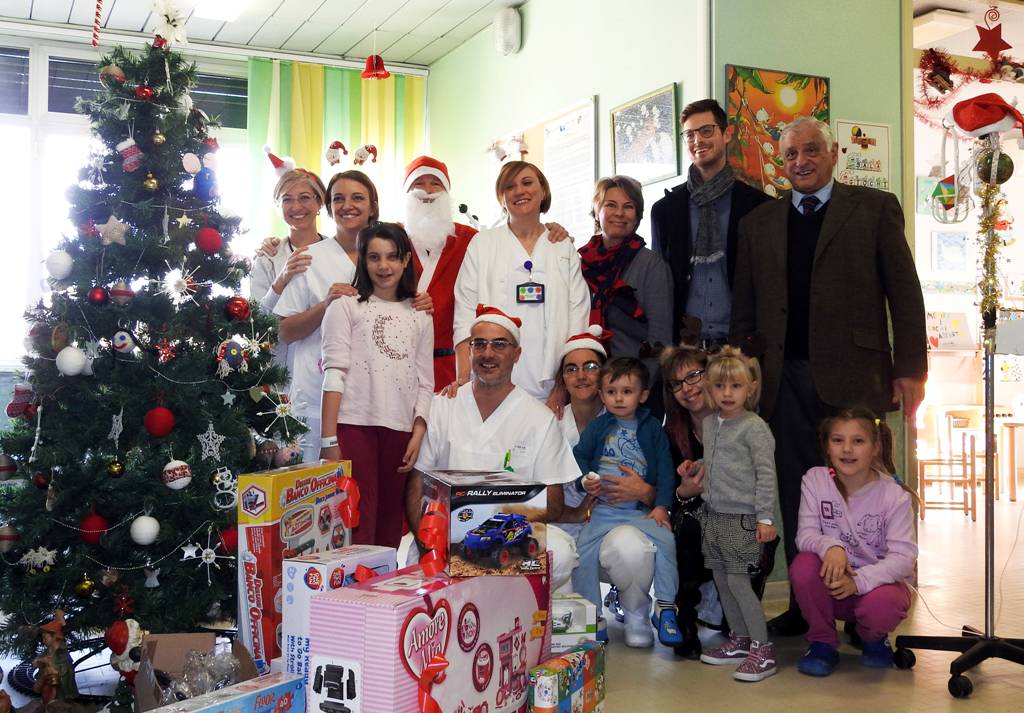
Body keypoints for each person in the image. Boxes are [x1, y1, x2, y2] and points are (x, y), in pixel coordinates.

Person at [730, 117, 928, 637]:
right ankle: (806, 604)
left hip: (857, 375)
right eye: (791, 154)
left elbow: (905, 294)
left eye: (811, 150)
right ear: (782, 162)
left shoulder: (873, 209)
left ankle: (870, 608)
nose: (801, 161)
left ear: (834, 152)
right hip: (781, 381)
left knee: (865, 490)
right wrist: (742, 377)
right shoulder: (759, 224)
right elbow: (746, 312)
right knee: (800, 491)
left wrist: (910, 367)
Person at [407, 306, 579, 553]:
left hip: (509, 534)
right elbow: (417, 484)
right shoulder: (442, 407)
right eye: (479, 344)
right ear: (470, 352)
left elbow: (553, 502)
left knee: (560, 553)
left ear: (517, 354)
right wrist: (428, 547)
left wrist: (490, 515)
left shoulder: (539, 418)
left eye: (499, 345)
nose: (488, 353)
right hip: (444, 534)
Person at [319, 223, 434, 549]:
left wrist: (418, 429)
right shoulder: (346, 306)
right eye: (374, 257)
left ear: (406, 260)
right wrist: (329, 441)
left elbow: (426, 380)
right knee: (358, 519)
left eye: (392, 257)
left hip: (399, 430)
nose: (384, 266)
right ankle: (351, 596)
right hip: (355, 426)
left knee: (389, 524)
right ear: (363, 261)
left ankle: (380, 596)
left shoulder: (421, 314)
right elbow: (334, 373)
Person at [791, 407, 917, 676]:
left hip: (876, 590)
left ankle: (873, 638)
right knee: (803, 566)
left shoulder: (894, 496)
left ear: (875, 447)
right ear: (827, 446)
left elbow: (904, 560)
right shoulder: (814, 480)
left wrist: (858, 582)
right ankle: (822, 643)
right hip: (833, 588)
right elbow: (805, 535)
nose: (847, 449)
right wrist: (832, 547)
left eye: (858, 441)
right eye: (838, 440)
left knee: (881, 606)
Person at [680, 346, 778, 681]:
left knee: (739, 582)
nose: (727, 393)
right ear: (709, 387)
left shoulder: (755, 428)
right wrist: (697, 465)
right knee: (722, 581)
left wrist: (765, 519)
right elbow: (719, 460)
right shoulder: (710, 423)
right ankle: (739, 639)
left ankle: (762, 649)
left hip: (742, 518)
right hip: (714, 515)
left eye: (735, 386)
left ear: (750, 387)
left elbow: (766, 475)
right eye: (720, 386)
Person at [453, 161, 590, 400]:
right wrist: (464, 381)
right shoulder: (483, 244)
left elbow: (577, 317)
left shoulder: (561, 246)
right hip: (489, 384)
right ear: (501, 198)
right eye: (509, 187)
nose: (519, 191)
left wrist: (561, 388)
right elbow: (464, 314)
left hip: (550, 387)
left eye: (527, 183)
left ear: (543, 190)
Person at [571, 357, 681, 649]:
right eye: (611, 391)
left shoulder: (653, 428)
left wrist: (660, 505)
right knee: (581, 555)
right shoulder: (598, 427)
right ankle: (593, 616)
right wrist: (585, 481)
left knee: (667, 542)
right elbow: (579, 456)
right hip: (604, 510)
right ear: (602, 394)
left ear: (643, 395)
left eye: (627, 391)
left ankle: (665, 608)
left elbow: (666, 470)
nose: (618, 398)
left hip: (640, 511)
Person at [273, 170, 374, 462]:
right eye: (338, 199)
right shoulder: (310, 258)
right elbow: (284, 331)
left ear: (373, 205)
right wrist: (325, 304)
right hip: (315, 394)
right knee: (313, 495)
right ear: (328, 207)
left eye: (357, 198)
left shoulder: (385, 256)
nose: (347, 205)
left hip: (370, 397)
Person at [650, 99, 770, 344]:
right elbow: (661, 287)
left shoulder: (758, 207)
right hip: (685, 351)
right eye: (690, 135)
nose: (698, 141)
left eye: (706, 131)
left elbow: (768, 282)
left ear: (726, 134)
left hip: (740, 348)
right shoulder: (665, 211)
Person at [577, 175, 673, 413]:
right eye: (610, 205)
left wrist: (636, 393)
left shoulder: (652, 265)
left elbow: (660, 339)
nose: (619, 213)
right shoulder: (580, 263)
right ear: (597, 211)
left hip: (632, 395)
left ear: (638, 216)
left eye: (628, 206)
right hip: (589, 387)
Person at [250, 169, 326, 315]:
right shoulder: (267, 257)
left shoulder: (337, 251)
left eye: (304, 197)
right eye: (287, 199)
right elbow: (257, 318)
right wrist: (281, 280)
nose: (296, 207)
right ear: (278, 206)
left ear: (319, 201)